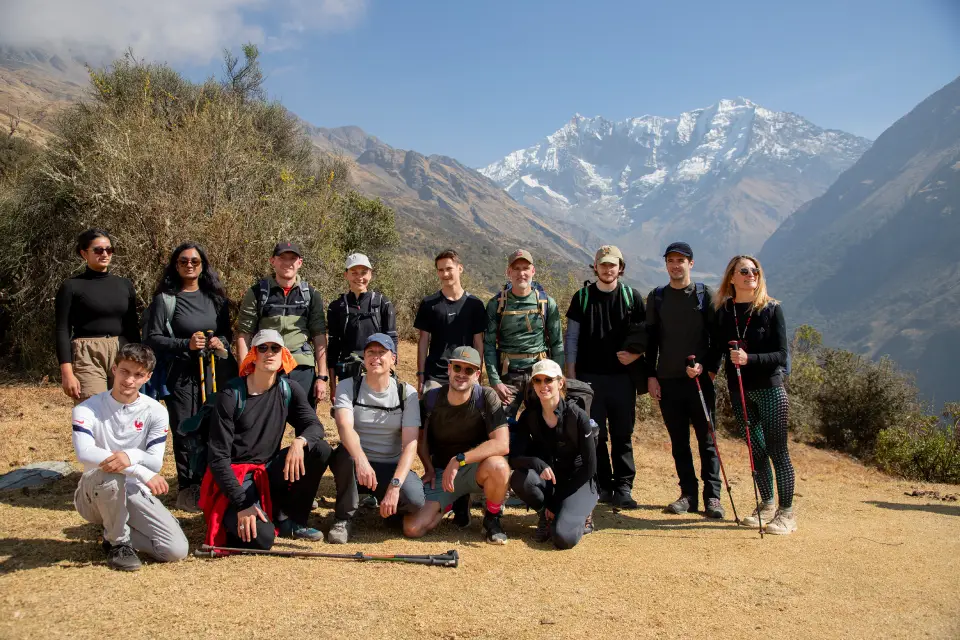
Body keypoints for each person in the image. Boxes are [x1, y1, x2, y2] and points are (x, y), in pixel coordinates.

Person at [200, 330, 333, 549]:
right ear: (253, 354)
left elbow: (314, 426)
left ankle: (293, 521)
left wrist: (299, 442)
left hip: (268, 473)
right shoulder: (231, 394)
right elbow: (217, 458)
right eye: (262, 348)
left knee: (319, 449)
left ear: (284, 355)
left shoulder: (288, 389)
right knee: (263, 539)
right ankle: (238, 517)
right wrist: (242, 503)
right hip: (237, 478)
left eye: (275, 348)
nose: (269, 353)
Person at [71, 343, 189, 571]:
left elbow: (155, 461)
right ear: (114, 369)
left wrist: (131, 455)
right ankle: (119, 544)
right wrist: (137, 469)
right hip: (94, 492)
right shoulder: (86, 409)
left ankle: (112, 532)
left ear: (148, 377)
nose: (129, 380)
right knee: (112, 475)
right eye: (125, 371)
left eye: (138, 375)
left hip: (135, 491)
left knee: (175, 550)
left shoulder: (156, 411)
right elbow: (84, 453)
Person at [145, 241, 235, 513]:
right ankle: (188, 488)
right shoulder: (165, 300)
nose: (189, 265)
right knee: (185, 428)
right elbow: (152, 338)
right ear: (175, 265)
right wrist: (186, 344)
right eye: (183, 261)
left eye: (195, 261)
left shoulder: (216, 300)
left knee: (213, 427)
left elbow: (226, 337)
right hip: (180, 375)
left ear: (203, 265)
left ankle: (212, 481)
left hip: (212, 374)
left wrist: (219, 344)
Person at [712, 255, 796, 534]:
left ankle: (787, 514)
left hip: (770, 389)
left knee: (777, 451)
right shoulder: (724, 311)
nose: (751, 275)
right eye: (744, 271)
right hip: (740, 391)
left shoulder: (772, 309)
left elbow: (782, 356)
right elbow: (716, 348)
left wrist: (750, 359)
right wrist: (704, 368)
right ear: (732, 277)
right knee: (756, 451)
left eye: (755, 270)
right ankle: (767, 504)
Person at [645, 242, 725, 519]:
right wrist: (651, 377)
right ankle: (688, 496)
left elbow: (718, 340)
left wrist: (710, 369)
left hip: (699, 382)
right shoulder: (656, 297)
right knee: (679, 443)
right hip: (668, 381)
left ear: (691, 263)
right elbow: (651, 341)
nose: (676, 265)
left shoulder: (705, 295)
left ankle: (712, 497)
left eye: (681, 260)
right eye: (671, 260)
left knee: (707, 441)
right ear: (666, 264)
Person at [564, 245, 645, 509]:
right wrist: (572, 375)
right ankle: (602, 485)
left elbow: (646, 336)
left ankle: (624, 487)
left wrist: (636, 356)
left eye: (613, 265)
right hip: (589, 380)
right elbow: (572, 338)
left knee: (623, 434)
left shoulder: (632, 297)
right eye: (603, 264)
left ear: (620, 268)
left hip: (623, 379)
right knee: (595, 434)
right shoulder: (582, 297)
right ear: (595, 267)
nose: (608, 269)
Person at [405, 346, 512, 544]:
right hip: (441, 473)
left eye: (468, 370)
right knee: (413, 528)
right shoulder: (431, 399)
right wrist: (428, 468)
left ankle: (492, 519)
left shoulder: (486, 397)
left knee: (499, 466)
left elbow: (502, 443)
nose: (462, 374)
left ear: (477, 374)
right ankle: (453, 502)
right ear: (449, 369)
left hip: (476, 469)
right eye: (457, 368)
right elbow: (420, 440)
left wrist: (460, 460)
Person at [328, 333, 425, 543]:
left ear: (393, 359)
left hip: (388, 466)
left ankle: (389, 510)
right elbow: (345, 427)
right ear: (364, 357)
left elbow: (410, 444)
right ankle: (343, 518)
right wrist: (361, 460)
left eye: (382, 353)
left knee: (415, 499)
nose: (376, 357)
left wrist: (396, 485)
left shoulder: (405, 393)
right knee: (343, 455)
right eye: (371, 352)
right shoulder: (348, 386)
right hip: (355, 463)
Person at [510, 359, 598, 549]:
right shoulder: (530, 416)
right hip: (550, 480)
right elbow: (514, 458)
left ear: (560, 383)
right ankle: (546, 514)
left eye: (548, 380)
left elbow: (590, 467)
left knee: (563, 539)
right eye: (538, 381)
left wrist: (555, 501)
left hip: (577, 481)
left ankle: (582, 511)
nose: (543, 386)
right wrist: (537, 463)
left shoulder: (577, 416)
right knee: (520, 479)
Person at [236, 241, 328, 408]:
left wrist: (322, 376)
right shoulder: (257, 293)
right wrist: (244, 371)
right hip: (267, 364)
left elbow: (319, 335)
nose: (287, 263)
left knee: (305, 418)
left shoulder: (311, 295)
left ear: (299, 263)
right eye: (282, 258)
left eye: (292, 259)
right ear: (273, 261)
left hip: (301, 365)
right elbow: (244, 333)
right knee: (263, 420)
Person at [56, 229, 140, 403]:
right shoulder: (71, 286)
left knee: (123, 410)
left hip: (122, 351)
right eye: (98, 250)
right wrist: (67, 372)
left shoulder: (124, 285)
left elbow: (132, 326)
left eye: (109, 250)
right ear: (83, 253)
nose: (104, 254)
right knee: (92, 410)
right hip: (87, 353)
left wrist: (139, 362)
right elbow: (62, 330)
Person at [483, 249, 564, 422]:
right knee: (500, 423)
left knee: (546, 422)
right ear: (509, 272)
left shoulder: (546, 303)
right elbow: (488, 345)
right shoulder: (496, 304)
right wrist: (495, 381)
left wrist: (557, 379)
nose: (521, 273)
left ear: (533, 271)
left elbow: (557, 343)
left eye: (526, 268)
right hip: (508, 375)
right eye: (517, 268)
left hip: (540, 374)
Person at [414, 249, 486, 396]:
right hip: (436, 375)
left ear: (460, 268)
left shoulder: (475, 304)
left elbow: (479, 342)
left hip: (466, 374)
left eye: (449, 269)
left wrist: (477, 373)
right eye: (440, 270)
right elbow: (423, 341)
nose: (445, 274)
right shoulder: (429, 304)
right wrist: (421, 374)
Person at [327, 252, 398, 397]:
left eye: (364, 273)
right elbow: (333, 346)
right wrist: (333, 385)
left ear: (370, 274)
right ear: (346, 275)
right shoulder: (336, 307)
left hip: (378, 373)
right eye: (354, 273)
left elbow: (392, 341)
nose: (359, 277)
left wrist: (390, 372)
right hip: (347, 375)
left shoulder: (383, 304)